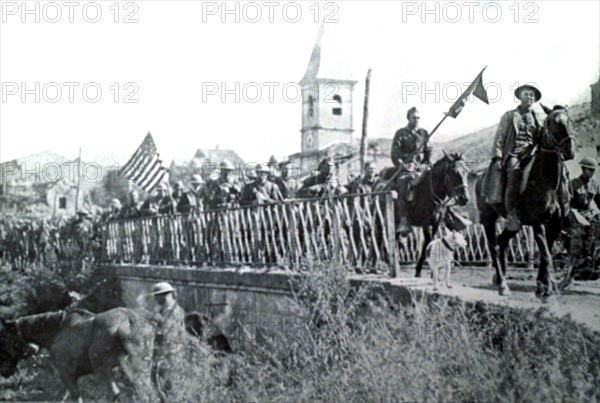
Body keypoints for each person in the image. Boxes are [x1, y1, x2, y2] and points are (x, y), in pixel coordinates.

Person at [489, 84, 544, 230]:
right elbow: (500, 136)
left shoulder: (537, 117)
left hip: (532, 153)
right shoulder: (509, 115)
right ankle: (511, 213)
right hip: (514, 153)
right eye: (526, 94)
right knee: (514, 175)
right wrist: (497, 157)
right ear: (520, 96)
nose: (529, 97)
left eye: (532, 95)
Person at [390, 107, 433, 235]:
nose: (416, 120)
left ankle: (446, 214)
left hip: (421, 167)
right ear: (408, 118)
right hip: (407, 168)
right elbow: (395, 153)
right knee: (403, 184)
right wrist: (402, 165)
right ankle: (403, 219)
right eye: (414, 117)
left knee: (435, 183)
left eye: (418, 118)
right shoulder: (401, 133)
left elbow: (429, 150)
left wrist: (427, 163)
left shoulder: (424, 133)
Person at [150, 282, 186, 398]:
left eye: (157, 296)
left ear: (164, 295)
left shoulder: (173, 312)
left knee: (167, 384)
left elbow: (167, 333)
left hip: (170, 353)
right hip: (164, 352)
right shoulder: (167, 310)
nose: (155, 298)